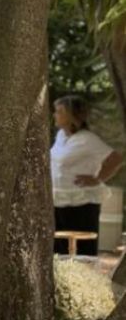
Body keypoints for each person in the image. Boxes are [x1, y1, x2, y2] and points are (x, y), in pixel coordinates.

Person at [51, 94, 122, 256]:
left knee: (82, 251)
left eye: (59, 111)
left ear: (71, 115)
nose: (55, 115)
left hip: (82, 204)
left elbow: (116, 159)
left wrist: (98, 179)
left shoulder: (88, 139)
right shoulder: (61, 136)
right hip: (59, 201)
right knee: (59, 251)